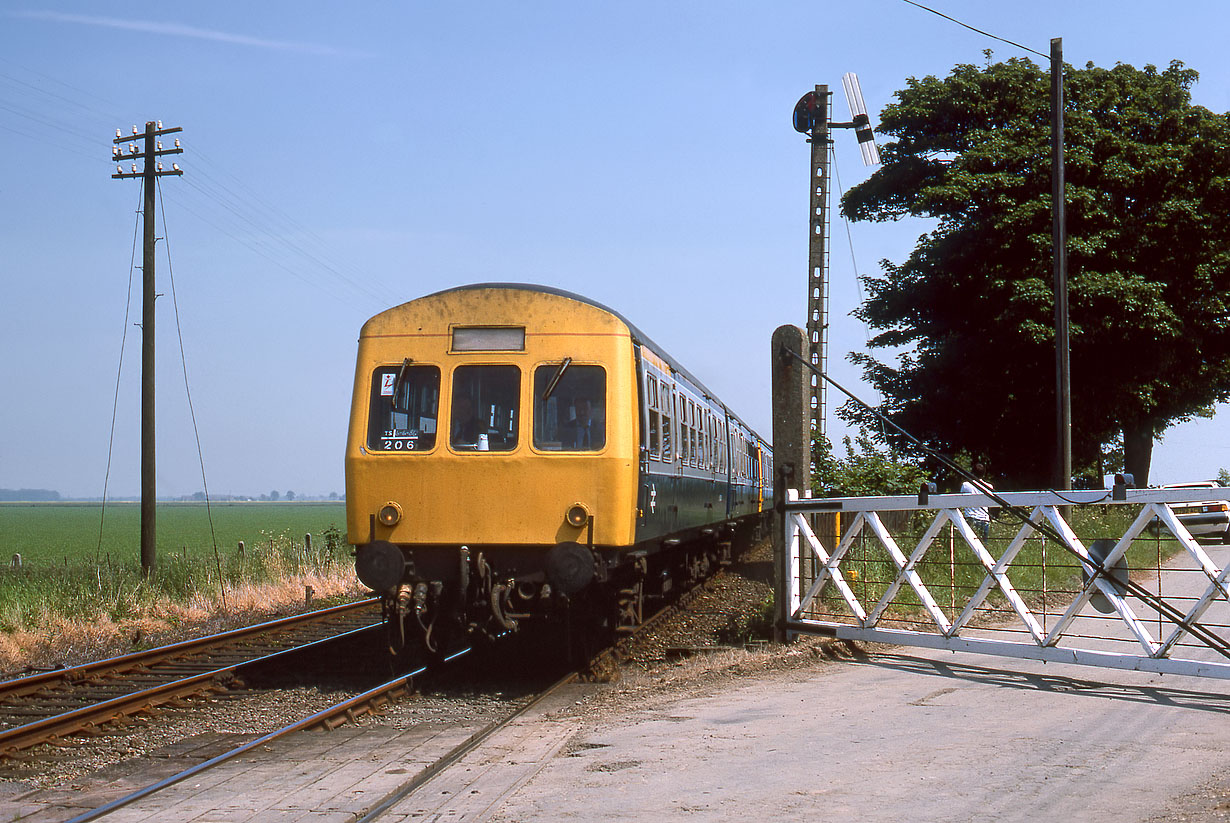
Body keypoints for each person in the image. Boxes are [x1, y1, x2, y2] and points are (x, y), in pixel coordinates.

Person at [960, 462, 993, 541]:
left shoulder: (966, 485)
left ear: (972, 472)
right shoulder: (989, 487)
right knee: (984, 545)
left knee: (970, 544)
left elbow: (960, 500)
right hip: (985, 518)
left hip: (971, 517)